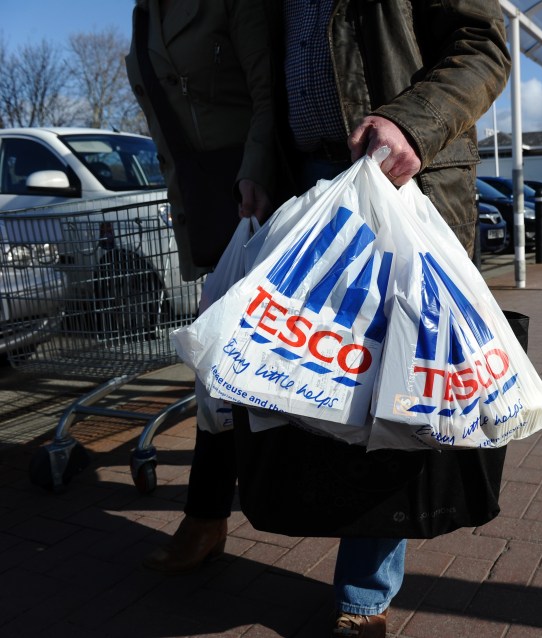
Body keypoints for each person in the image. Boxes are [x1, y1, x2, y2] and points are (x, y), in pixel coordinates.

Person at [261, 2, 510, 636]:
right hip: (306, 183)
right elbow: (270, 76)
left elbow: (483, 46)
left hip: (399, 174)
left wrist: (410, 124)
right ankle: (317, 519)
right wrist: (259, 168)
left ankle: (363, 594)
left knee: (391, 392)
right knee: (312, 374)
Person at [125, 0, 275, 573]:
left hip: (255, 193)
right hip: (205, 204)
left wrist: (257, 171)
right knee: (218, 371)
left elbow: (268, 93)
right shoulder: (144, 13)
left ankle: (222, 510)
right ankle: (207, 516)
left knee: (252, 365)